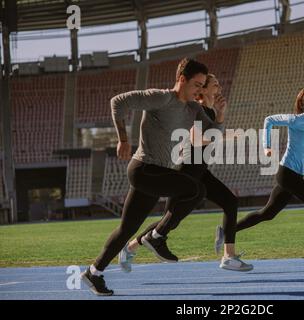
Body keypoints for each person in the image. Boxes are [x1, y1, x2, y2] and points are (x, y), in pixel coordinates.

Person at [81, 58, 227, 296]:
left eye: (203, 85)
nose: (200, 90)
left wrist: (220, 116)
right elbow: (118, 101)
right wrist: (123, 139)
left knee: (126, 230)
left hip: (155, 173)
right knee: (196, 190)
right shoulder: (161, 97)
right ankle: (156, 236)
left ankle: (93, 272)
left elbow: (212, 136)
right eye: (197, 85)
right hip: (143, 169)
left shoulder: (194, 109)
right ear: (182, 79)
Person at [118, 74, 253, 273]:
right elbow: (196, 139)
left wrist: (221, 116)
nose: (219, 89)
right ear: (204, 89)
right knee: (170, 220)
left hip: (201, 170)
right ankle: (130, 247)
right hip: (188, 170)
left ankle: (228, 256)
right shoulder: (195, 109)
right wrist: (230, 135)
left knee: (230, 202)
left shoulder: (210, 111)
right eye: (215, 85)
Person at [214, 86, 304, 266]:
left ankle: (227, 231)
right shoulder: (297, 120)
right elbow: (269, 120)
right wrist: (266, 146)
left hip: (296, 175)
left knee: (267, 214)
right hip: (287, 173)